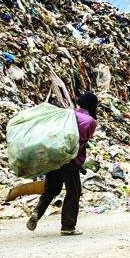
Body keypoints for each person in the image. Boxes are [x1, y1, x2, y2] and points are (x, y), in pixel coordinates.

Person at [26, 93, 98, 235]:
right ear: (93, 106)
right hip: (70, 161)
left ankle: (37, 212)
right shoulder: (90, 121)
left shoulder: (67, 115)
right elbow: (80, 143)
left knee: (52, 189)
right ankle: (68, 226)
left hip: (54, 158)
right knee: (73, 192)